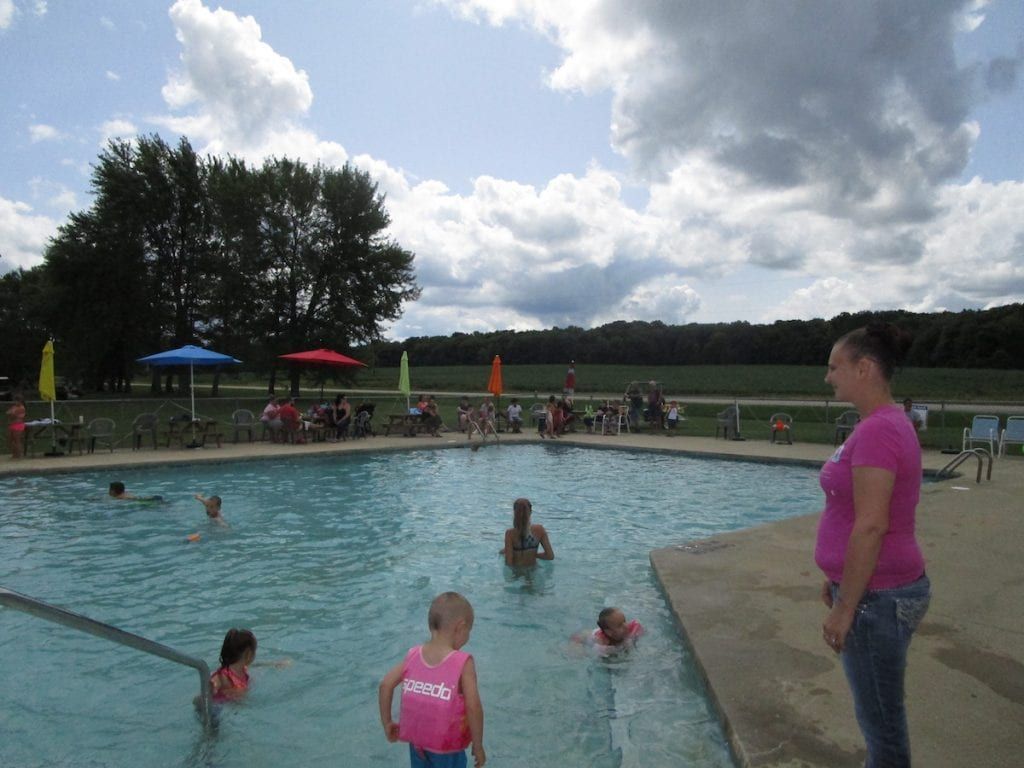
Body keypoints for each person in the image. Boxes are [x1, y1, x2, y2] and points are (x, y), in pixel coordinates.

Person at [817, 322, 930, 767]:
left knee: (881, 724)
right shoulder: (880, 424)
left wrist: (847, 605)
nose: (828, 377)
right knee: (880, 717)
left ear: (863, 368)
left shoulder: (878, 431)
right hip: (875, 589)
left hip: (877, 598)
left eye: (834, 367)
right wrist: (839, 579)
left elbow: (871, 526)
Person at [379, 592, 486, 768]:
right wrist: (478, 745)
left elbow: (385, 685)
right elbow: (473, 706)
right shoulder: (463, 663)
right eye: (469, 631)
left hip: (417, 747)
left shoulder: (413, 656)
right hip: (447, 750)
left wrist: (387, 722)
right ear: (461, 627)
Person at [499, 498, 554, 567]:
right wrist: (534, 554)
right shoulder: (540, 530)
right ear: (530, 511)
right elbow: (550, 556)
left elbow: (509, 562)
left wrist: (507, 551)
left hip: (517, 572)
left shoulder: (510, 534)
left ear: (514, 512)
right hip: (533, 570)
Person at [210, 628, 257, 702]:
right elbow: (204, 696)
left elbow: (257, 665)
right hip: (220, 708)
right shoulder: (222, 677)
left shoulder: (242, 669)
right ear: (248, 654)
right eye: (254, 651)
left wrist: (273, 664)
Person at [574, 607, 644, 648]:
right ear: (609, 632)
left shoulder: (631, 627)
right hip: (587, 636)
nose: (625, 626)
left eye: (624, 621)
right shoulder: (601, 643)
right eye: (620, 625)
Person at [6, 393, 26, 459]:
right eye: (15, 401)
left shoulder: (21, 408)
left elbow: (13, 414)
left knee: (17, 440)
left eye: (17, 401)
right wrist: (11, 413)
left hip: (18, 425)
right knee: (11, 440)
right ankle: (14, 454)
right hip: (12, 424)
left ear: (21, 401)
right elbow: (8, 413)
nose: (16, 402)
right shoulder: (14, 407)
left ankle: (18, 455)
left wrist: (12, 413)